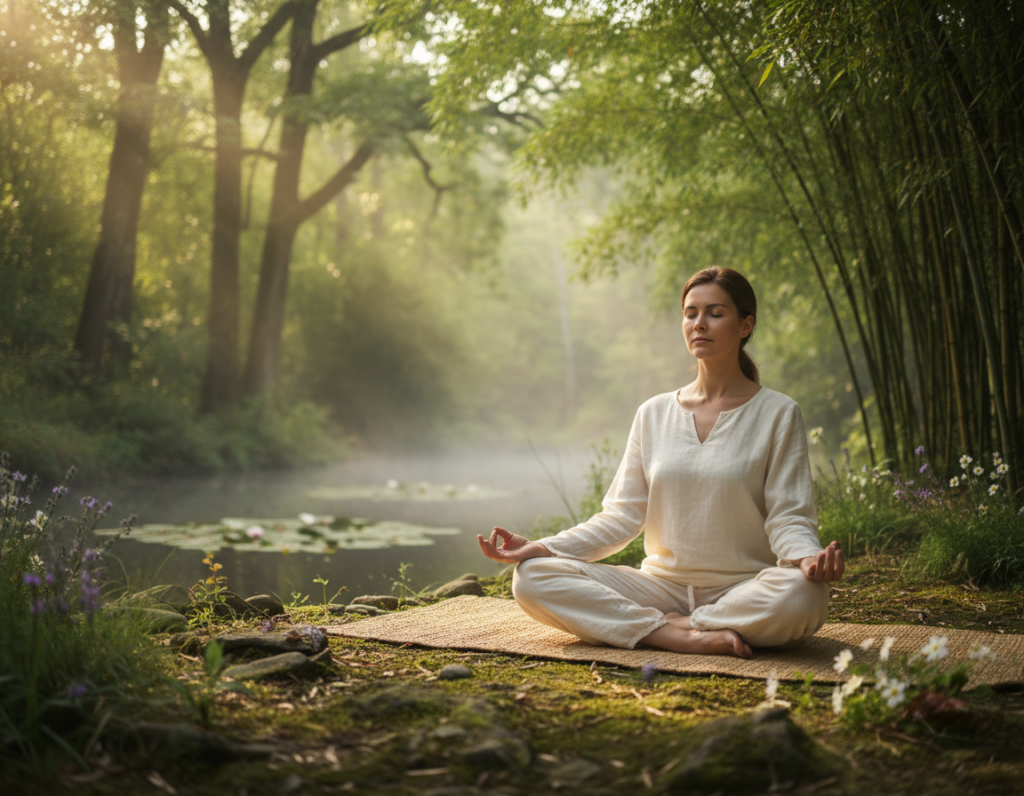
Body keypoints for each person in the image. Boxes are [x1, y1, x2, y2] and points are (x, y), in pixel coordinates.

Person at [477, 267, 844, 658]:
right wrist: (543, 548)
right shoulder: (653, 413)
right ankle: (670, 635)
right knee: (531, 577)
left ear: (745, 325)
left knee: (805, 595)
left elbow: (789, 516)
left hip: (744, 588)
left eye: (715, 313)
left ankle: (683, 624)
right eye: (690, 313)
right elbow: (620, 519)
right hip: (657, 589)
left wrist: (807, 558)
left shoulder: (778, 412)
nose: (699, 324)